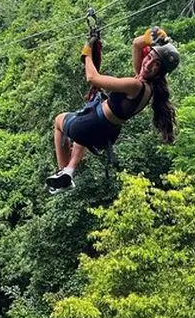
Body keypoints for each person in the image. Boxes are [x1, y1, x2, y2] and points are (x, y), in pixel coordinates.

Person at [46, 27, 180, 194]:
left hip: (93, 123)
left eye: (156, 64)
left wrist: (87, 53)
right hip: (106, 134)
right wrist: (152, 38)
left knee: (59, 121)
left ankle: (62, 171)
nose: (148, 64)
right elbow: (136, 44)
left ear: (160, 72)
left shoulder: (135, 85)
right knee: (82, 134)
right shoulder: (149, 88)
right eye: (149, 57)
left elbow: (92, 78)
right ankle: (70, 170)